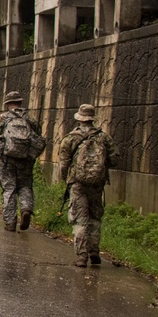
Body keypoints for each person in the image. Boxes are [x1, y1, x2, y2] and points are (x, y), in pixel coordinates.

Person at [58, 104, 120, 268]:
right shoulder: (103, 137)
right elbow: (114, 159)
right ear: (92, 118)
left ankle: (82, 256)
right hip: (97, 184)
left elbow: (63, 163)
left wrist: (66, 179)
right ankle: (94, 251)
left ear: (78, 119)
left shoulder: (70, 138)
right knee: (95, 217)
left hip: (77, 183)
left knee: (79, 219)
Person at [0, 90, 45, 232]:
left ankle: (10, 222)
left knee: (9, 188)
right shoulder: (30, 118)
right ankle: (26, 209)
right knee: (25, 186)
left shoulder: (2, 118)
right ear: (20, 102)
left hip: (7, 159)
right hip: (26, 159)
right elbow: (38, 133)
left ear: (7, 104)